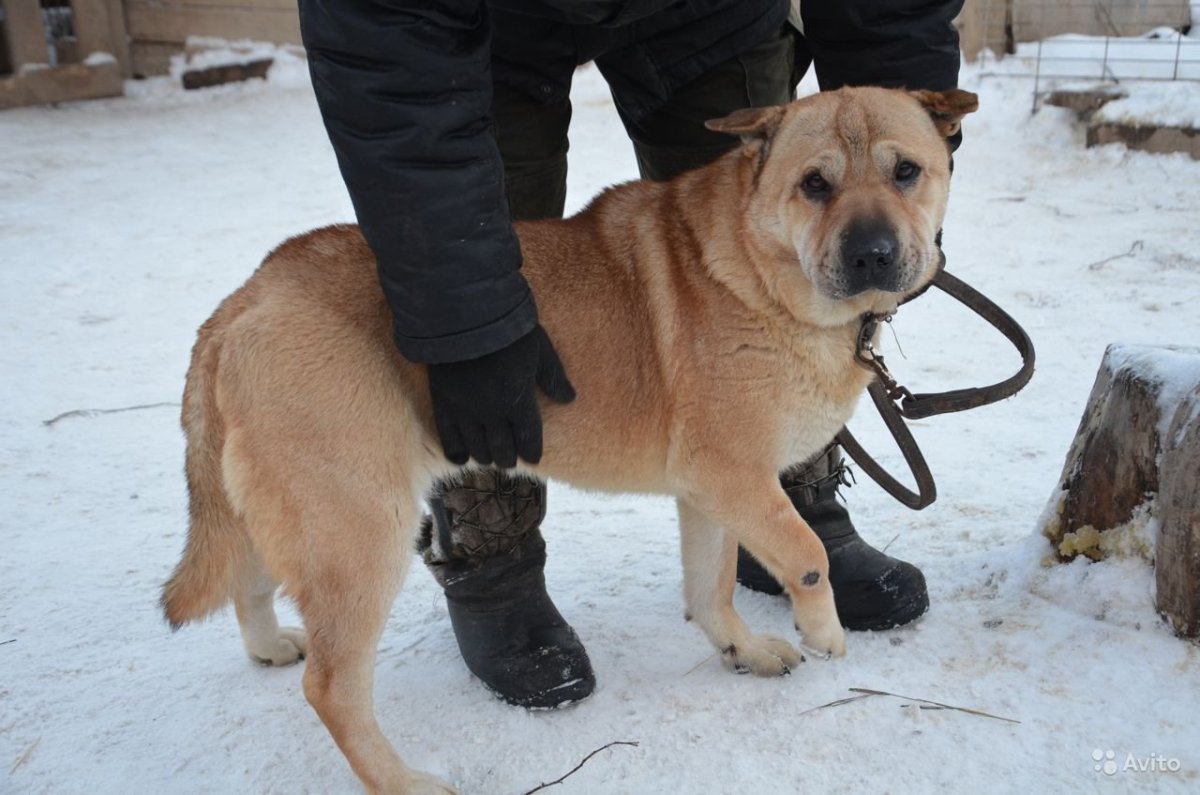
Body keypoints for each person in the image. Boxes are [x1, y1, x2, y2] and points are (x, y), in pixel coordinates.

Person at [298, 0, 965, 709]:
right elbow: (385, 57)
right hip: (475, 31)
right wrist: (462, 323)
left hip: (708, 13)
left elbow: (895, 31)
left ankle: (788, 499)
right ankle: (492, 554)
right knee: (484, 300)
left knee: (775, 287)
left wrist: (901, 115)